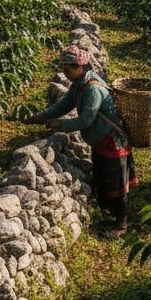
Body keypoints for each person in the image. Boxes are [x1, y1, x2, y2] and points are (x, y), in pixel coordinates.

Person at [22, 45, 137, 238]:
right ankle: (108, 214)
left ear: (80, 66)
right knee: (102, 178)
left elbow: (86, 119)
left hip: (112, 143)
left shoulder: (92, 88)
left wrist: (60, 125)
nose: (65, 74)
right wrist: (39, 117)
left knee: (116, 185)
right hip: (101, 141)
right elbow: (64, 105)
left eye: (68, 69)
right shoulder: (79, 84)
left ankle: (122, 224)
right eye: (63, 70)